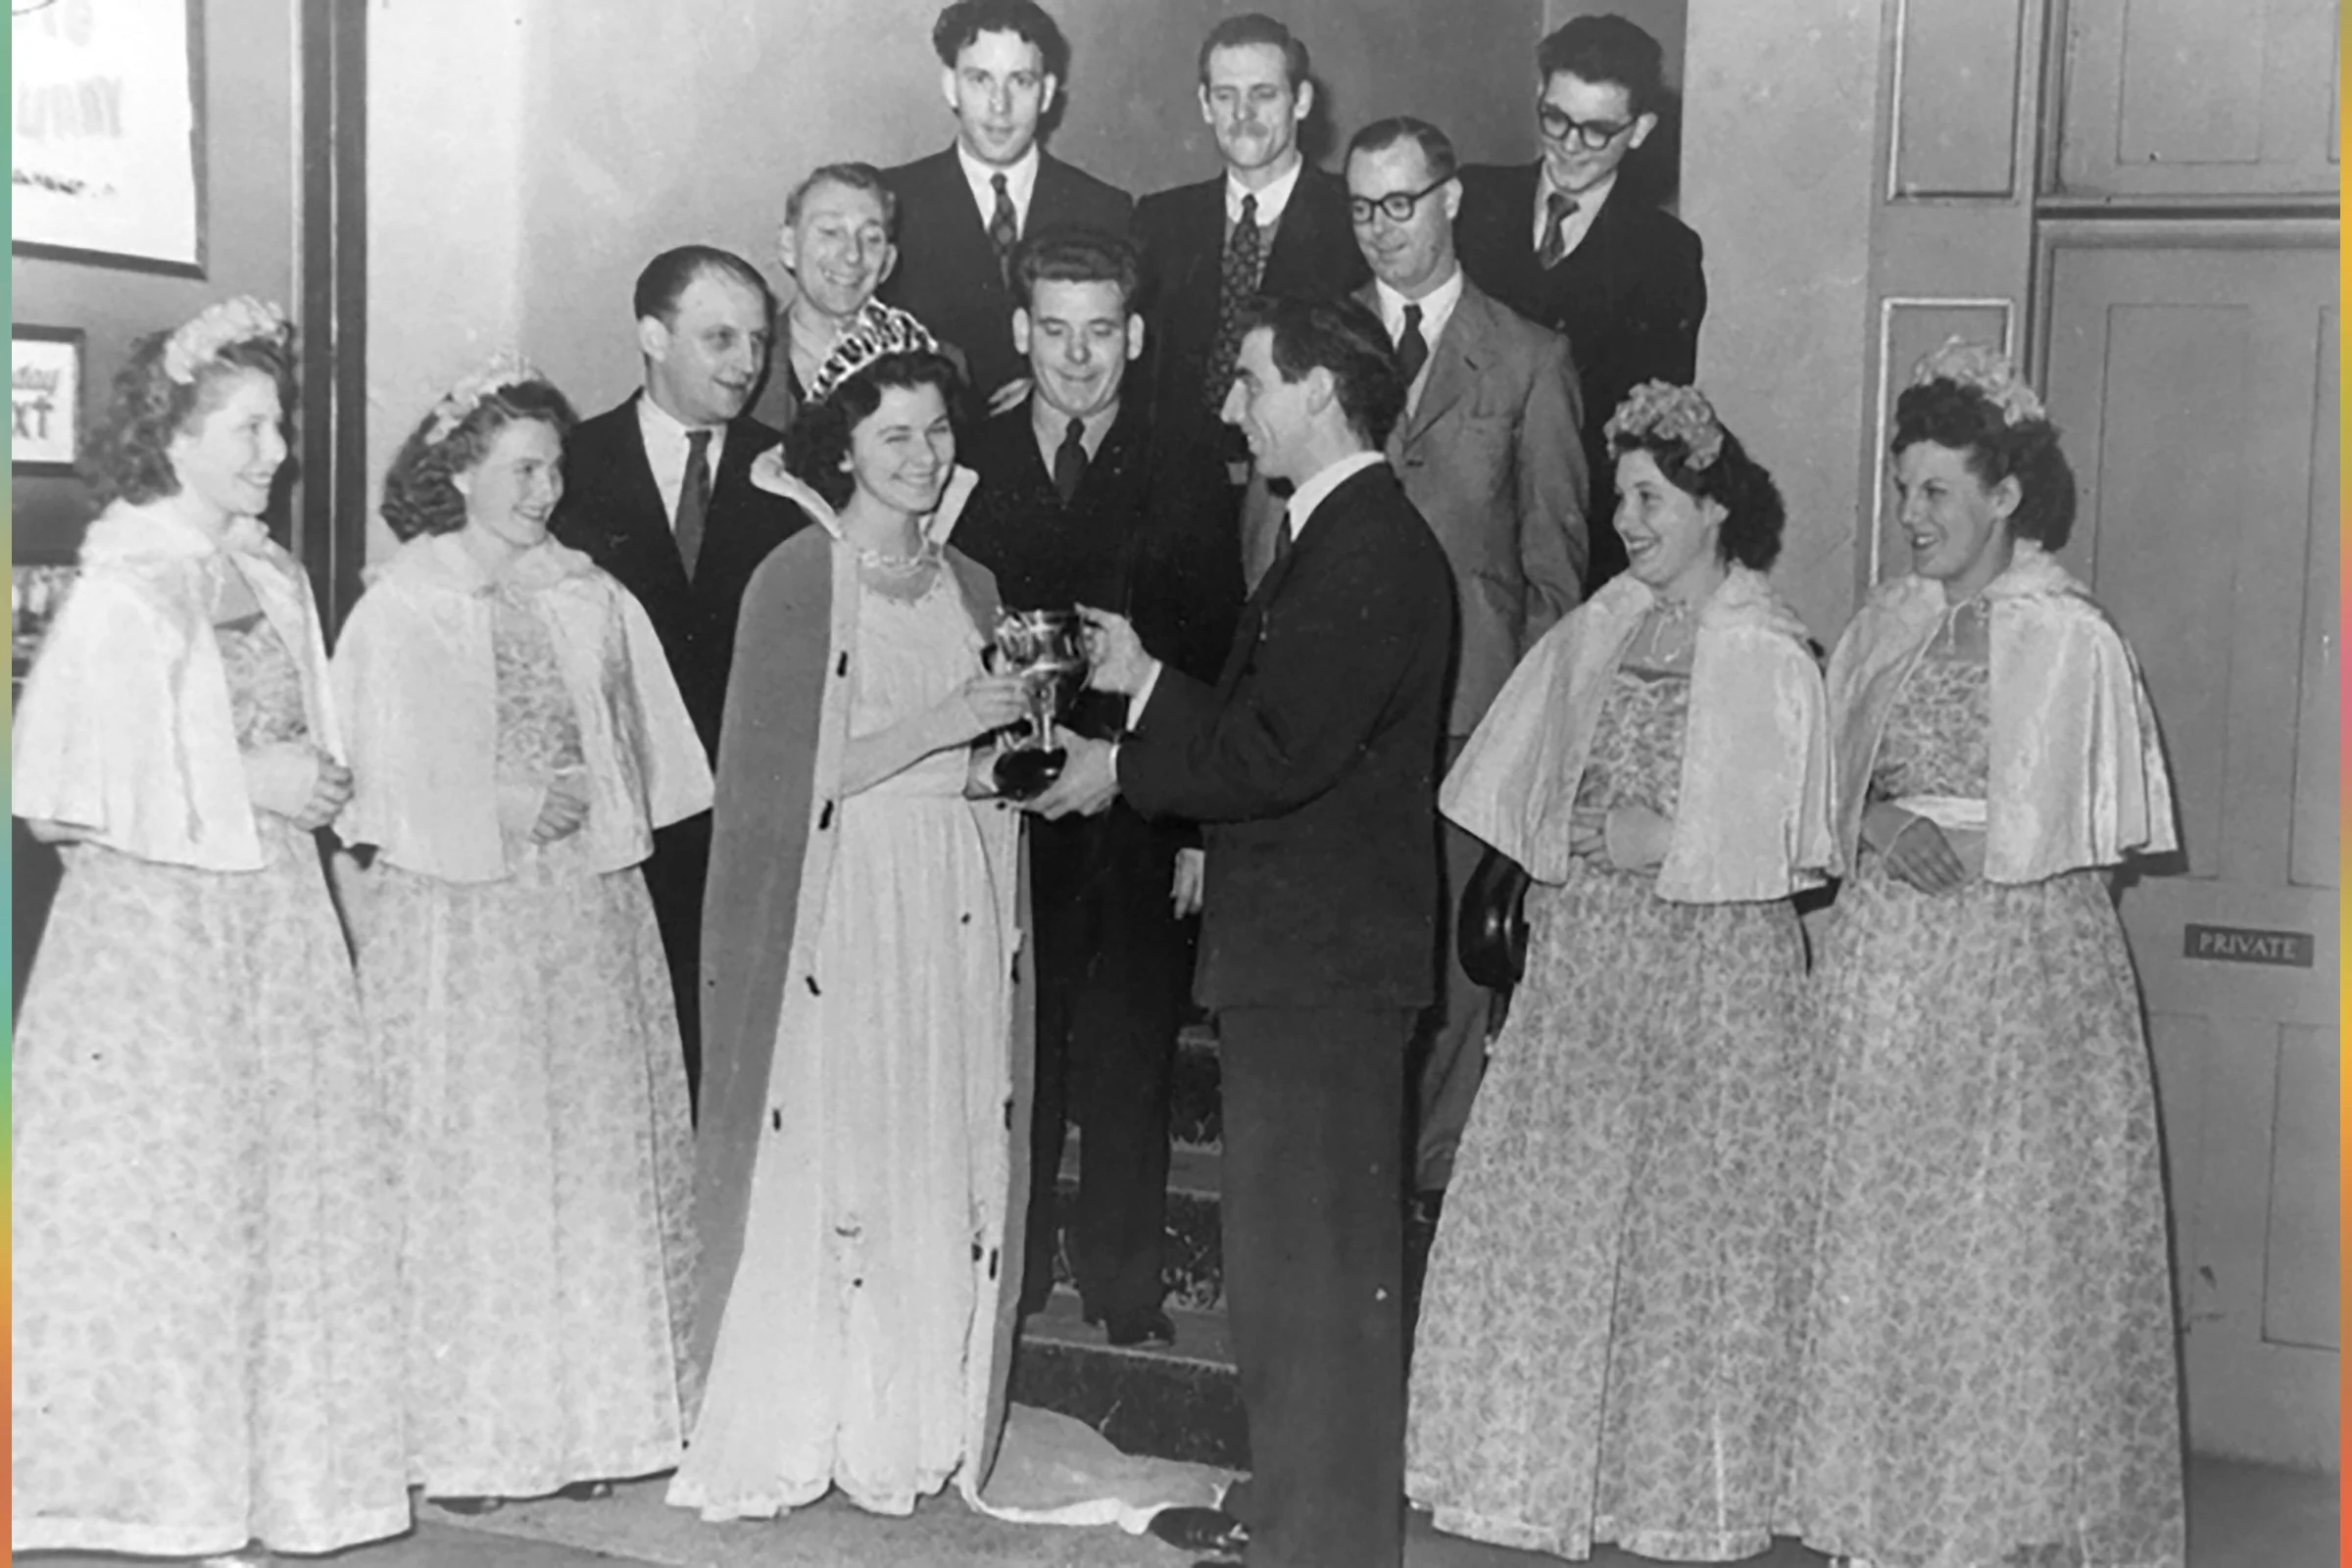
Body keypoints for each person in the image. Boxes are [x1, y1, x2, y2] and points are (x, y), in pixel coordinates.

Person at [1038, 293, 1455, 1568]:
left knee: (1319, 1276)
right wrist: (1150, 678)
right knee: (1290, 1271)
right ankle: (1294, 1514)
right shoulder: (1339, 534)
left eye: (1255, 382)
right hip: (1310, 960)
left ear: (1322, 393)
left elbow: (1276, 753)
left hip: (1322, 969)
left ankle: (1322, 1543)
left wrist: (1121, 772)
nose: (1234, 406)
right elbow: (1285, 724)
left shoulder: (1366, 546)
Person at [10, 298, 410, 1561]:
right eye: (244, 427)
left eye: (277, 425)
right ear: (173, 437)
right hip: (159, 941)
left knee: (281, 1197)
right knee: (178, 1204)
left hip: (273, 921)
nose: (272, 450)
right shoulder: (125, 585)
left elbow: (310, 740)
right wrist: (261, 781)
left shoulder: (273, 571)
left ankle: (276, 1481)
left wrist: (319, 790)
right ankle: (163, 1490)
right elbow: (75, 788)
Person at [1405, 382, 1833, 1560]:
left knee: (1695, 1220)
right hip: (1593, 957)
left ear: (1710, 507)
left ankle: (1680, 1486)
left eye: (1649, 498)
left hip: (1711, 969)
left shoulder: (1768, 646)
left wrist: (1669, 837)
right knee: (1571, 1203)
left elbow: (1787, 839)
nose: (1628, 521)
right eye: (1619, 500)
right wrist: (1564, 841)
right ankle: (1543, 1462)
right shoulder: (1602, 622)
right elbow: (1519, 771)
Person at [1788, 341, 2185, 1568]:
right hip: (1889, 972)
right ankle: (1881, 1515)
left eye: (1935, 495)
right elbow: (1809, 790)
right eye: (1903, 490)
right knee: (1882, 1240)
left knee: (2002, 1248)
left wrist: (1992, 863)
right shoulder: (1885, 625)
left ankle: (1995, 1522)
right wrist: (1879, 821)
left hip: (2020, 975)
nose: (1910, 518)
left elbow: (2094, 837)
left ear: (2005, 496)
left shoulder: (2073, 638)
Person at [667, 313, 1037, 1519]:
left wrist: (1009, 765)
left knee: (934, 1137)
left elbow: (975, 764)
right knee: (853, 1145)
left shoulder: (972, 581)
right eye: (894, 435)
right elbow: (781, 783)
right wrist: (947, 721)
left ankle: (908, 1420)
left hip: (951, 891)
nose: (921, 457)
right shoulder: (796, 575)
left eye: (936, 432)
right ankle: (814, 1412)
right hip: (850, 894)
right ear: (844, 445)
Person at [332, 355, 711, 1514]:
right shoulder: (403, 602)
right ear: (456, 471)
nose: (543, 491)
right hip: (461, 920)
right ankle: (469, 1437)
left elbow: (642, 750)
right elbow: (368, 773)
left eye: (553, 467)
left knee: (587, 1164)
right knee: (482, 1165)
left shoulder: (589, 592)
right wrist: (493, 801)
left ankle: (596, 1417)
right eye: (520, 468)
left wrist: (590, 797)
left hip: (580, 916)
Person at [955, 229, 1244, 1348]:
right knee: (1015, 1057)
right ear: (1023, 332)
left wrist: (1194, 824)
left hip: (1133, 805)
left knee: (1129, 1051)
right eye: (1055, 331)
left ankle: (1126, 1289)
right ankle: (1010, 1278)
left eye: (1101, 332)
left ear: (1136, 335)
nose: (1078, 359)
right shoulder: (968, 460)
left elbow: (1211, 646)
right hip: (1004, 812)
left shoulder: (1184, 462)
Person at [1343, 114, 1589, 1268]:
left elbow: (1555, 569)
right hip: (1337, 723)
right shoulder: (1318, 341)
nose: (1382, 229)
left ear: (1452, 203)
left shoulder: (1529, 357)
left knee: (1446, 977)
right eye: (1361, 207)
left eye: (1402, 204)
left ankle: (1432, 1201)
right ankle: (1350, 1201)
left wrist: (1525, 741)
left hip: (1467, 723)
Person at [551, 243, 808, 1105]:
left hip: (747, 813)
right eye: (720, 339)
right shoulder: (568, 470)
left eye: (758, 341)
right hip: (618, 815)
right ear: (653, 336)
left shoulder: (793, 473)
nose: (747, 364)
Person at [1454, 14, 1705, 589]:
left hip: (1578, 542)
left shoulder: (1665, 255)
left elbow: (1644, 428)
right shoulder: (1471, 203)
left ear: (1639, 130)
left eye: (1597, 131)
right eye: (1556, 118)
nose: (1570, 145)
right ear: (1539, 95)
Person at [1133, 13, 1368, 590]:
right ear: (1205, 104)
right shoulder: (1159, 222)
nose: (1243, 114)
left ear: (1302, 100)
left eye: (1263, 94)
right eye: (1226, 95)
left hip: (1300, 504)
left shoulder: (1352, 220)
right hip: (1180, 516)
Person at [881, 0, 1132, 411]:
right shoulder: (895, 201)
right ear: (951, 86)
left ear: (1047, 92)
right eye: (980, 79)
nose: (1000, 105)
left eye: (1020, 81)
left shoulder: (1104, 209)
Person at [752, 162, 904, 430]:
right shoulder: (746, 361)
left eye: (871, 238)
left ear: (888, 262)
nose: (853, 255)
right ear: (788, 246)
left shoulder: (936, 361)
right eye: (831, 232)